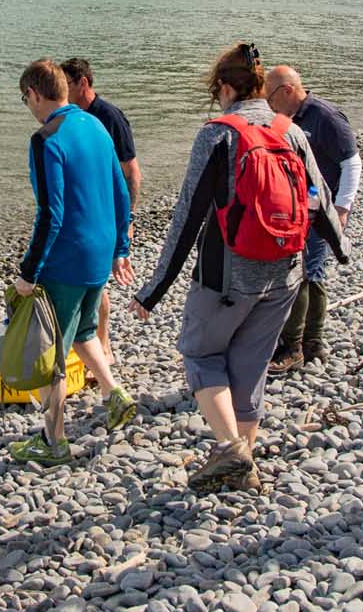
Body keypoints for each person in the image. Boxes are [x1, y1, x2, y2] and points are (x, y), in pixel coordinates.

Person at [131, 43, 344, 494]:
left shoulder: (218, 134)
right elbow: (320, 201)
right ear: (262, 87)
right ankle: (243, 470)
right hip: (285, 272)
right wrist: (338, 250)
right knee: (250, 369)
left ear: (225, 87)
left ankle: (230, 449)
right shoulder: (291, 130)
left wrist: (154, 289)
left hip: (227, 276)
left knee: (201, 354)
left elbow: (187, 217)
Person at [8, 59, 138, 465]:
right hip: (99, 252)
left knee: (49, 354)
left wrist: (29, 272)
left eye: (24, 98)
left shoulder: (46, 138)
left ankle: (54, 442)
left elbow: (52, 212)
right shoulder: (95, 124)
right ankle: (113, 393)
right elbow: (120, 189)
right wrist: (119, 246)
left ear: (34, 94)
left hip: (67, 259)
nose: (27, 106)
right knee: (82, 330)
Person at [265, 65, 360, 371]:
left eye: (269, 97)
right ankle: (307, 342)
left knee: (308, 272)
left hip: (320, 211)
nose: (267, 104)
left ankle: (299, 345)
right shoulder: (284, 119)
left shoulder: (325, 117)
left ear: (288, 91)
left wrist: (342, 209)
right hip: (293, 211)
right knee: (300, 269)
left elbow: (352, 162)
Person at [62, 57, 141, 364]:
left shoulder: (108, 116)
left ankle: (103, 346)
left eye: (66, 85)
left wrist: (128, 218)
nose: (62, 92)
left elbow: (132, 171)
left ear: (83, 83)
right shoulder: (71, 117)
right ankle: (97, 346)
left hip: (108, 211)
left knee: (96, 282)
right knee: (94, 281)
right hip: (87, 211)